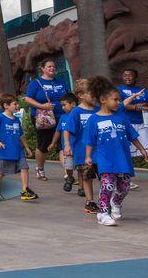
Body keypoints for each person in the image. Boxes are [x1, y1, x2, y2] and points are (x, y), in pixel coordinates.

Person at [84, 76, 148, 226]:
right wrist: (88, 156)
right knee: (107, 184)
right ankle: (103, 213)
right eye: (115, 100)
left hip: (123, 159)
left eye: (119, 100)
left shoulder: (121, 117)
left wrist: (143, 150)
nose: (118, 103)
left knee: (124, 187)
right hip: (105, 159)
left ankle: (116, 202)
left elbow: (132, 136)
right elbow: (89, 140)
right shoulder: (94, 120)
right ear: (103, 100)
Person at [117, 68, 148, 186]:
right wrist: (136, 107)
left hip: (143, 123)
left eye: (130, 75)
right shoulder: (119, 89)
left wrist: (144, 104)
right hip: (127, 123)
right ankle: (126, 179)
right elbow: (120, 105)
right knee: (126, 151)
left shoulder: (142, 90)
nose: (127, 77)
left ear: (135, 77)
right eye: (125, 75)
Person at [24, 59, 69, 181]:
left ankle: (67, 174)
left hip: (61, 117)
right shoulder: (36, 83)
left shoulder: (61, 82)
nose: (52, 68)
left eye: (54, 66)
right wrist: (42, 106)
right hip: (44, 118)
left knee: (62, 144)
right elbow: (27, 99)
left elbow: (68, 97)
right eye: (49, 66)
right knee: (44, 144)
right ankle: (40, 168)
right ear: (42, 69)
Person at [0, 93, 38, 202]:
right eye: (15, 104)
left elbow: (20, 135)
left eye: (17, 104)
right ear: (6, 105)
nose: (17, 106)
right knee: (0, 172)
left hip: (18, 150)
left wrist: (26, 147)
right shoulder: (0, 118)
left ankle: (24, 190)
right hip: (5, 150)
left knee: (24, 167)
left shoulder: (16, 119)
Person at [64, 79, 99, 213]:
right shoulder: (76, 111)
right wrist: (67, 145)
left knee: (105, 177)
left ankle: (104, 200)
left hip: (99, 151)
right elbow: (67, 130)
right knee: (87, 176)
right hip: (82, 151)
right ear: (81, 95)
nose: (95, 96)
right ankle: (90, 201)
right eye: (91, 93)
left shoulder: (98, 110)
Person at [56, 93, 78, 192]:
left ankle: (82, 188)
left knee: (81, 169)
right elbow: (59, 130)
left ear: (73, 104)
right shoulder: (63, 117)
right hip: (68, 147)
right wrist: (53, 143)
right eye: (62, 105)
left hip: (79, 146)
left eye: (64, 105)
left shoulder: (79, 115)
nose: (62, 107)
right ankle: (70, 177)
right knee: (69, 167)